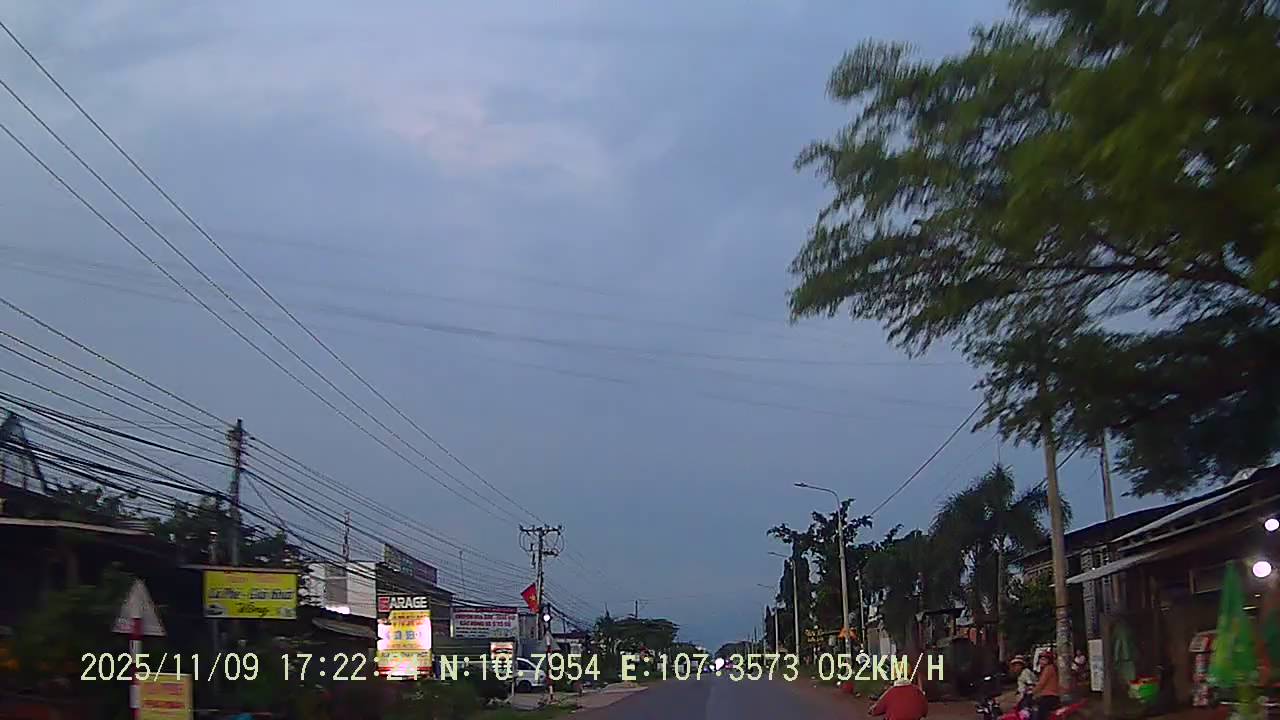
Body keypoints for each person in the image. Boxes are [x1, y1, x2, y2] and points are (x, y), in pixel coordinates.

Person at [1032, 649, 1061, 720]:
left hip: (1049, 696)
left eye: (1044, 659)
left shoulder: (1048, 669)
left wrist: (1032, 692)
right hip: (1049, 696)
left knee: (1038, 713)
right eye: (1041, 659)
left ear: (1049, 660)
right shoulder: (1049, 668)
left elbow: (1041, 684)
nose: (1041, 661)